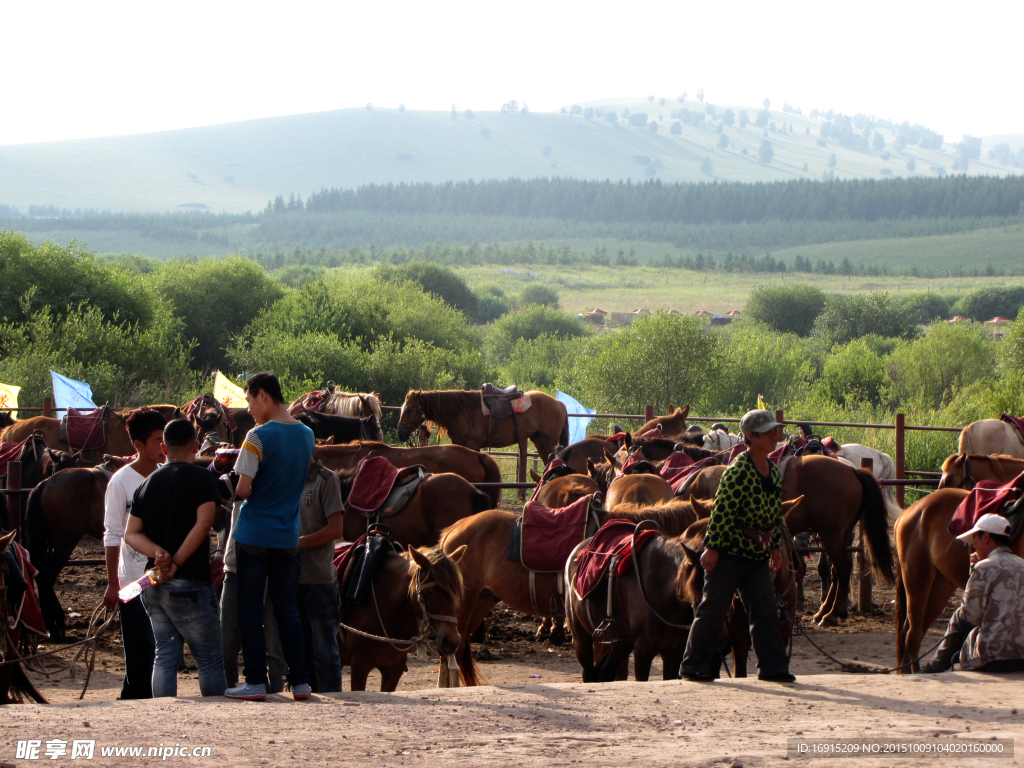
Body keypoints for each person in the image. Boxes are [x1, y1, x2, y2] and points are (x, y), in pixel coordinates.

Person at [682, 408, 794, 683]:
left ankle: (773, 667)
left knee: (765, 610)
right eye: (767, 432)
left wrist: (776, 548)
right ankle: (693, 665)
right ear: (751, 437)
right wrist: (713, 548)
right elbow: (721, 513)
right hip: (730, 555)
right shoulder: (738, 473)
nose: (773, 436)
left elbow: (773, 516)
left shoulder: (773, 473)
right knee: (712, 610)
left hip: (756, 556)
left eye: (773, 431)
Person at [225, 372, 315, 701]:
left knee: (250, 610)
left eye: (249, 400)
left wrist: (230, 483)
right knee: (287, 609)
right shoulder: (306, 435)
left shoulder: (256, 437)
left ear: (263, 395)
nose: (248, 408)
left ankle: (255, 682)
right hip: (288, 536)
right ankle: (301, 681)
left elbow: (244, 488)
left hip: (254, 534)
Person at [124, 419, 227, 698]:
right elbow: (204, 525)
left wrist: (158, 554)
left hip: (154, 582)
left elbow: (131, 534)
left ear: (164, 447)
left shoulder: (147, 484)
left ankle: (162, 717)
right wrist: (178, 562)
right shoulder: (203, 479)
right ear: (196, 445)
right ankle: (220, 719)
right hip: (190, 581)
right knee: (208, 658)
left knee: (165, 654)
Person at [102, 407, 166, 700]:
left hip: (162, 576)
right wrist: (113, 584)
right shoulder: (120, 482)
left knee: (157, 646)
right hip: (133, 580)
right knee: (138, 646)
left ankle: (134, 699)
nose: (162, 446)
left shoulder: (166, 476)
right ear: (138, 446)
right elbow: (112, 534)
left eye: (164, 438)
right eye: (156, 440)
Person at [919, 514, 1024, 673]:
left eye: (976, 539)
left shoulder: (984, 568)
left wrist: (976, 571)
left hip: (992, 657)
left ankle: (937, 665)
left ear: (986, 537)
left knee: (959, 616)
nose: (974, 546)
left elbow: (970, 616)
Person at [220, 496, 288, 694]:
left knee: (274, 646)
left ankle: (276, 693)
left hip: (270, 570)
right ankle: (229, 690)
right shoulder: (241, 484)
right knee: (227, 643)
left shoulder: (279, 486)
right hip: (235, 570)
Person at [297, 459, 345, 692]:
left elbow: (336, 529)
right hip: (291, 578)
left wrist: (297, 545)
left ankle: (334, 704)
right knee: (298, 654)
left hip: (318, 579)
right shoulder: (285, 476)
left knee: (325, 652)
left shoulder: (326, 479)